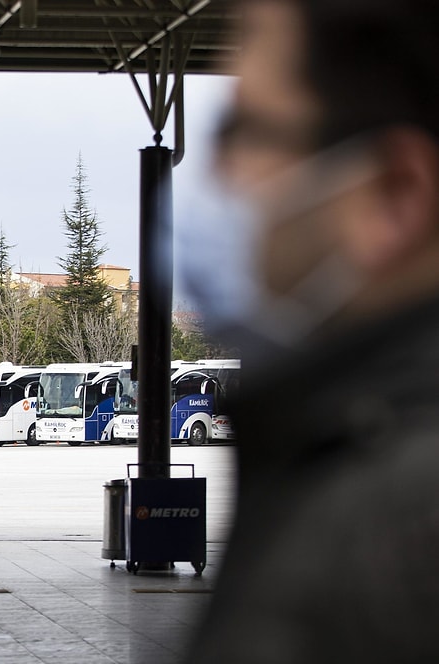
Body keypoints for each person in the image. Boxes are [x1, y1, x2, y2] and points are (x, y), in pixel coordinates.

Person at [183, 1, 439, 662]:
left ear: (394, 196)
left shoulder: (382, 546)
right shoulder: (348, 445)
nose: (218, 182)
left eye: (245, 134)